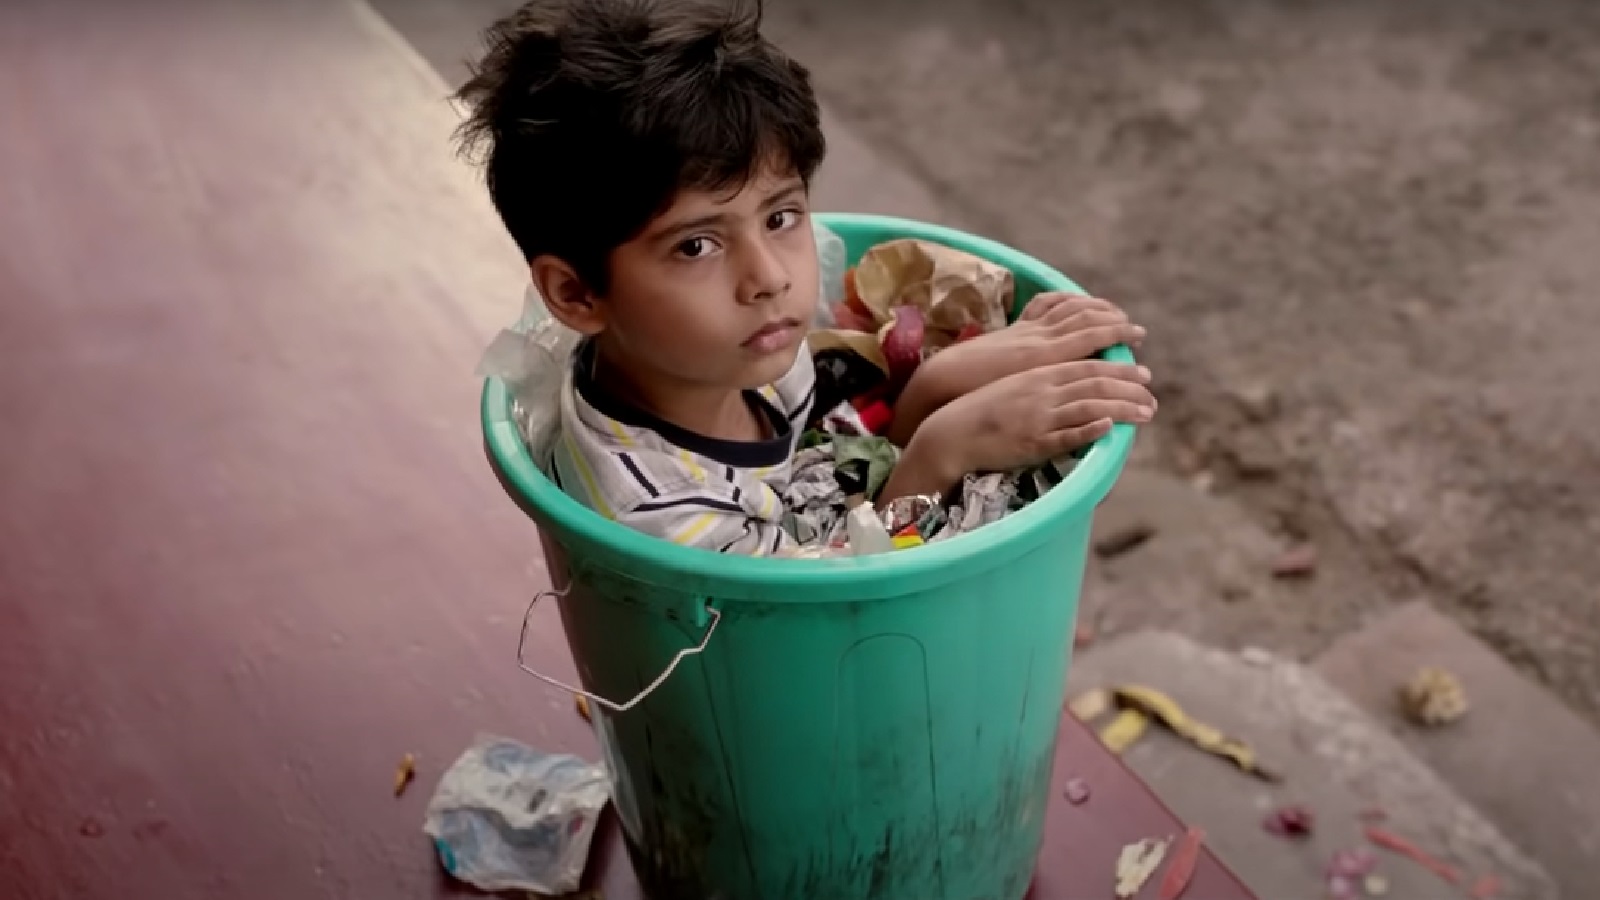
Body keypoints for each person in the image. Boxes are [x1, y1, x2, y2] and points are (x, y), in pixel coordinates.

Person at [455, 0, 1157, 554]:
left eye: (781, 216)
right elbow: (811, 618)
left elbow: (817, 458)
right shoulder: (658, 514)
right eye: (696, 246)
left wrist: (934, 389)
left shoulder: (732, 350)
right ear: (578, 294)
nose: (767, 277)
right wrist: (940, 454)